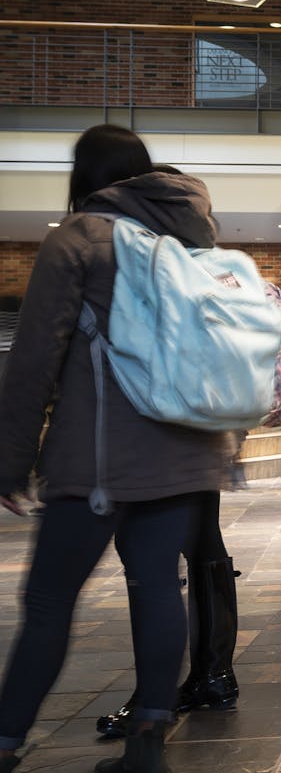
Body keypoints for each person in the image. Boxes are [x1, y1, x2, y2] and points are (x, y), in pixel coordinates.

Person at [0, 125, 238, 773]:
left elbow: (32, 363)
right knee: (158, 586)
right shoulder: (187, 238)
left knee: (49, 602)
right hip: (184, 456)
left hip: (95, 460)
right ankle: (145, 750)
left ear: (85, 176)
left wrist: (10, 460)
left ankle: (5, 740)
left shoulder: (76, 239)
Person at [94, 168, 243, 740]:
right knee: (202, 548)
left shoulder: (162, 267)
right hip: (203, 432)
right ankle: (213, 675)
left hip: (166, 432)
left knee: (153, 561)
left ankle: (162, 693)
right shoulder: (212, 267)